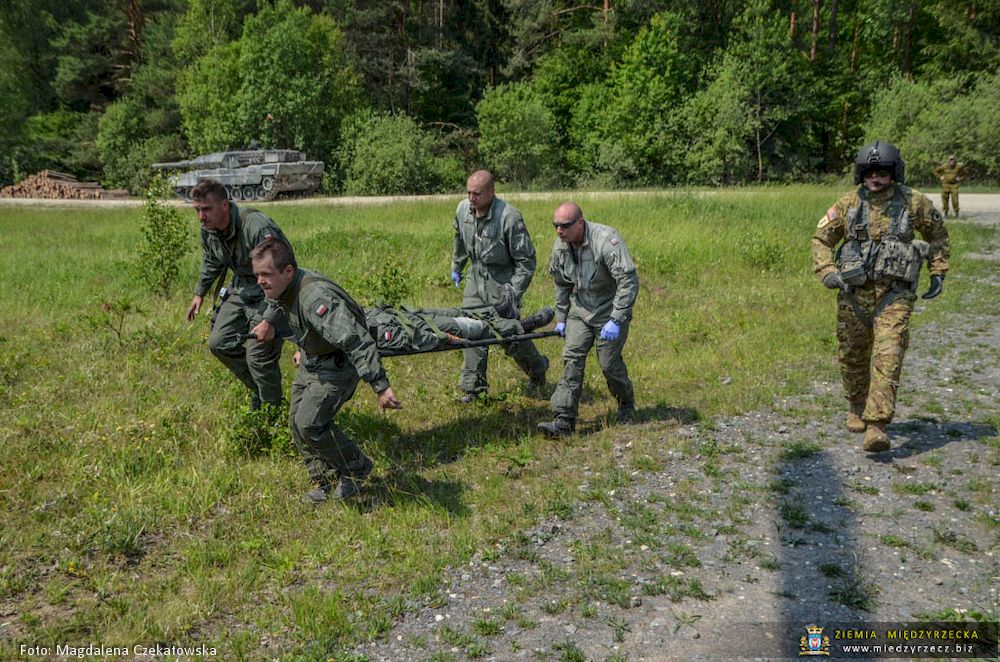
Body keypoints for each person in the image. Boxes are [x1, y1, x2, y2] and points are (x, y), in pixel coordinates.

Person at [812, 141, 950, 453]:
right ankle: (856, 405)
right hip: (853, 295)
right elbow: (821, 238)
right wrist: (827, 271)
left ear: (894, 174)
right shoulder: (847, 204)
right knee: (852, 356)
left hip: (895, 295)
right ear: (861, 174)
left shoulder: (914, 203)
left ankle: (877, 425)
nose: (876, 178)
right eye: (870, 172)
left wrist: (938, 271)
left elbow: (937, 236)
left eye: (883, 172)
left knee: (889, 356)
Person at [250, 237, 402, 503]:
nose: (260, 281)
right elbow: (278, 303)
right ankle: (325, 479)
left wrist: (380, 385)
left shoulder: (316, 299)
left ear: (288, 271)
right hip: (313, 358)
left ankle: (356, 467)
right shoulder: (282, 286)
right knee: (296, 423)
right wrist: (271, 325)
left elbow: (354, 338)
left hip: (337, 363)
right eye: (257, 275)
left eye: (266, 274)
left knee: (310, 424)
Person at [184, 178, 292, 410]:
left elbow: (285, 274)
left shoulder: (256, 226)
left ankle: (274, 412)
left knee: (258, 356)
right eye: (197, 210)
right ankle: (262, 391)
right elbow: (212, 259)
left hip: (270, 293)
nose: (201, 216)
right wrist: (199, 293)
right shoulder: (209, 230)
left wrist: (270, 320)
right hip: (241, 288)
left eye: (206, 209)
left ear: (225, 205)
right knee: (219, 343)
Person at [537, 202, 639, 437]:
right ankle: (563, 419)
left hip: (609, 310)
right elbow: (562, 283)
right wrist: (561, 316)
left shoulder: (606, 241)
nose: (559, 231)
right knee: (571, 358)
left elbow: (628, 281)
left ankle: (626, 404)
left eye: (564, 226)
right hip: (580, 310)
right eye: (555, 226)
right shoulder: (561, 246)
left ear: (580, 223)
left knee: (609, 364)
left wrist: (617, 318)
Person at [450, 170, 549, 401]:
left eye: (477, 193)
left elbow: (526, 262)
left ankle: (537, 369)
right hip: (475, 280)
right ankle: (474, 389)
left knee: (508, 336)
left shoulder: (509, 217)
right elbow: (459, 239)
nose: (471, 198)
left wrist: (513, 292)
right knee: (471, 330)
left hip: (501, 283)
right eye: (468, 192)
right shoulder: (462, 209)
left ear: (492, 192)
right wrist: (457, 266)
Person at [366, 305, 555, 354]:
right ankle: (521, 325)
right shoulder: (358, 335)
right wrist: (444, 339)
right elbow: (414, 339)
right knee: (470, 328)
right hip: (390, 330)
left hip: (391, 318)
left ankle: (497, 310)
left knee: (453, 312)